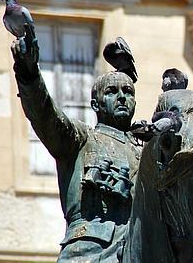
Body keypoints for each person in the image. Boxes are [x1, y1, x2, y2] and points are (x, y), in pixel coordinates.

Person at [11, 26, 141, 262]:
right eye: (112, 92)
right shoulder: (82, 139)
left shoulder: (145, 151)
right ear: (95, 104)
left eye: (128, 92)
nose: (122, 96)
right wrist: (29, 75)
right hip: (91, 250)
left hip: (139, 247)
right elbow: (46, 116)